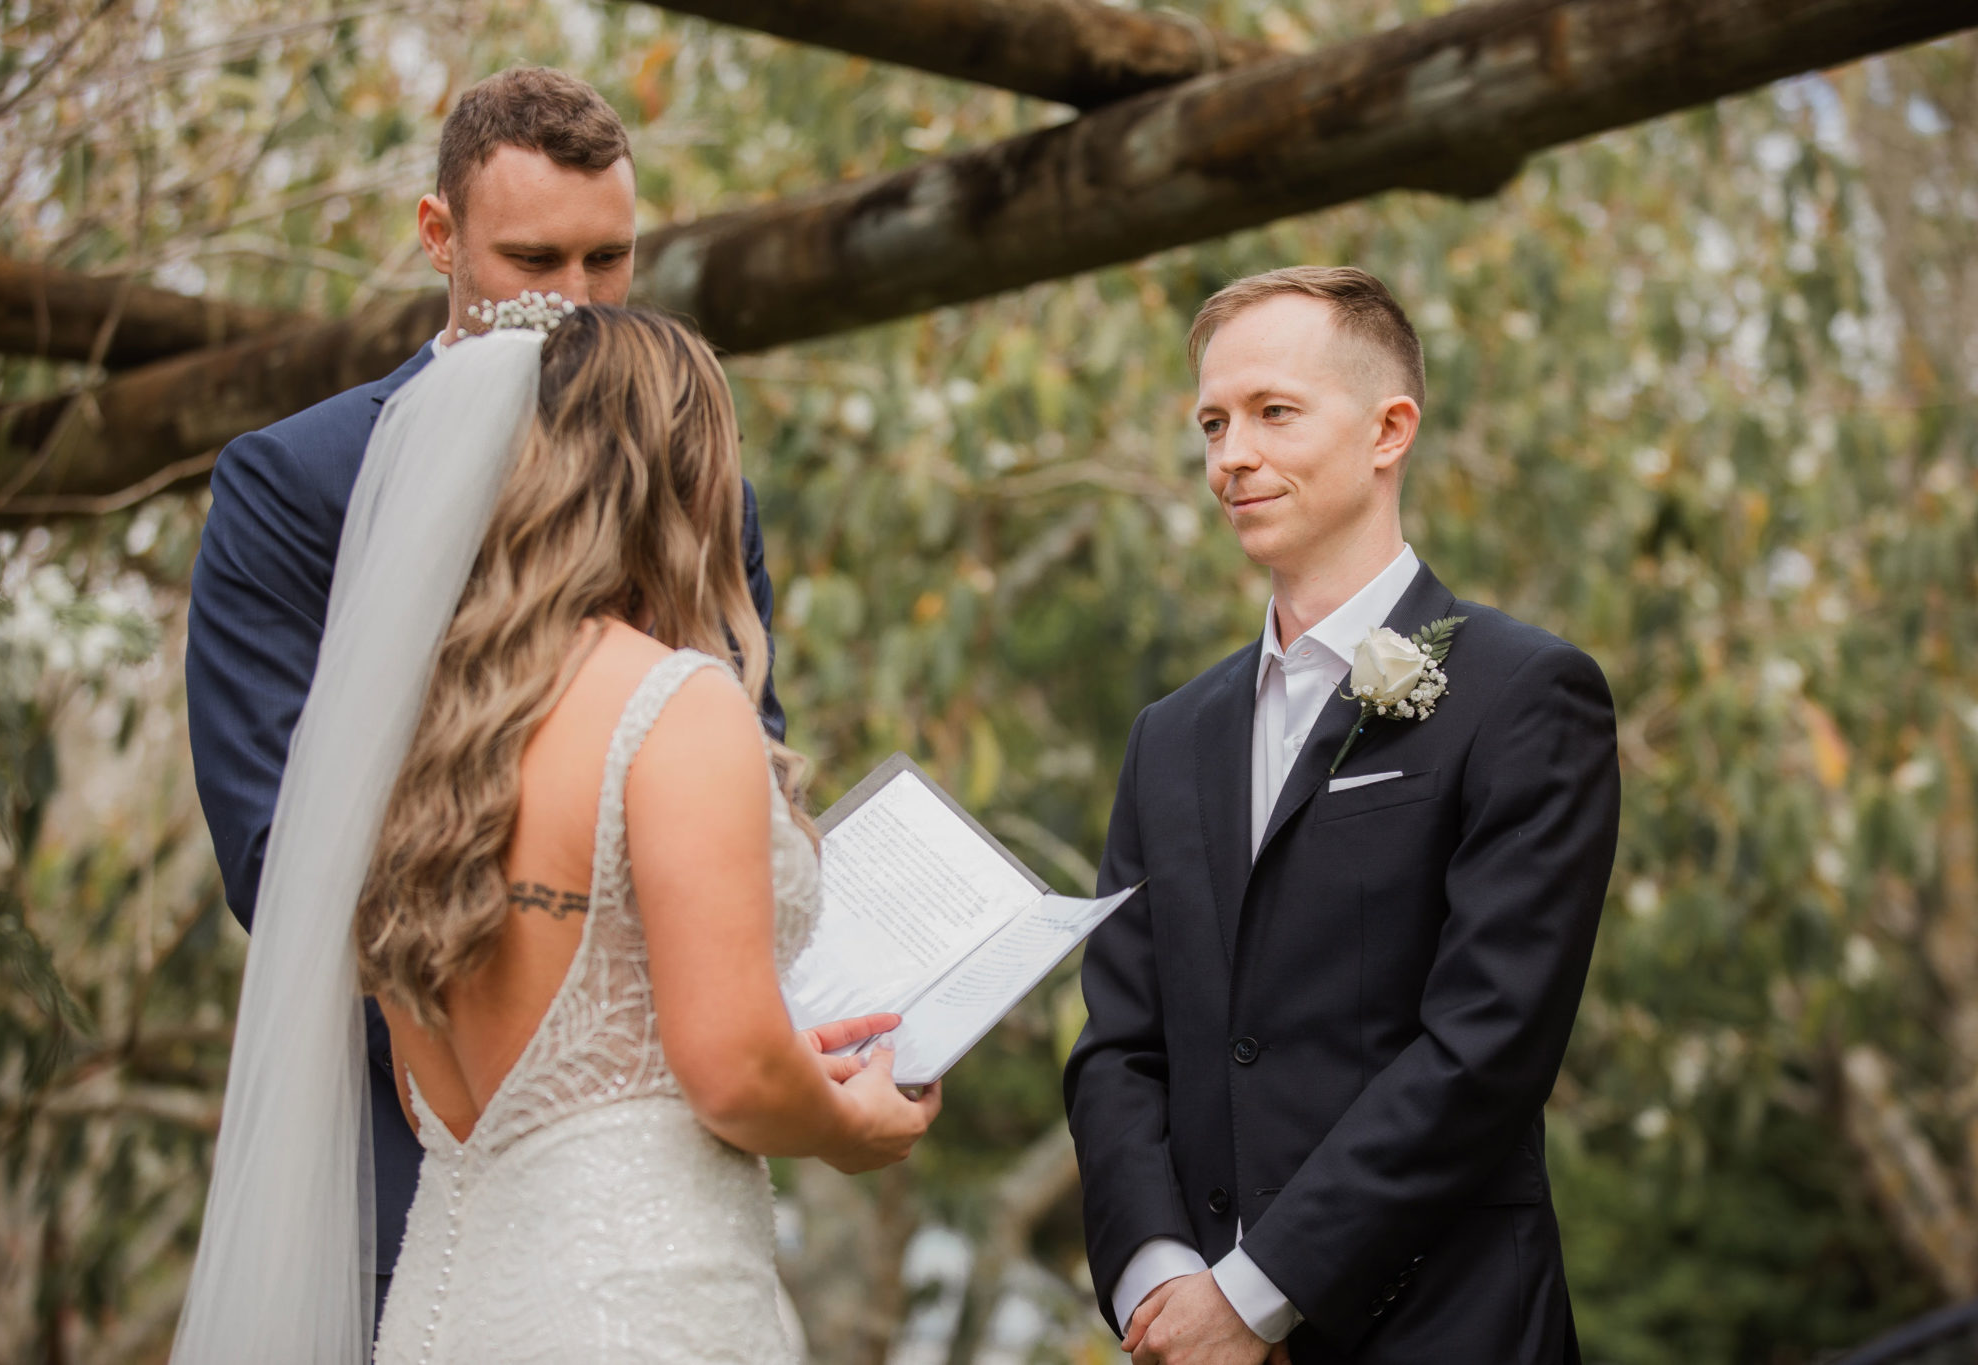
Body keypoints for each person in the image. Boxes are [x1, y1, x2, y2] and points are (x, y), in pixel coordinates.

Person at [174, 305, 939, 1365]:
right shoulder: (677, 703)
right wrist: (846, 1128)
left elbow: (427, 1076)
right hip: (635, 1304)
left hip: (447, 1305)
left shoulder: (419, 731)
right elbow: (726, 1073)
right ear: (686, 478)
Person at [182, 66, 784, 1320]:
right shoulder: (300, 484)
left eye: (608, 260)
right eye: (534, 259)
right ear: (438, 237)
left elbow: (750, 755)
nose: (574, 303)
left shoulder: (696, 485)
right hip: (393, 1147)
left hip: (655, 1163)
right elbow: (275, 856)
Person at [1064, 267, 1619, 1365]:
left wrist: (1257, 1295)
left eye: (1273, 413)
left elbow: (1486, 1044)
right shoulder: (1167, 737)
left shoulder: (1523, 693)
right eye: (1211, 422)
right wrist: (1159, 1281)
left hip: (1444, 1328)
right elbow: (1118, 1047)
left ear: (1387, 430)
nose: (1230, 455)